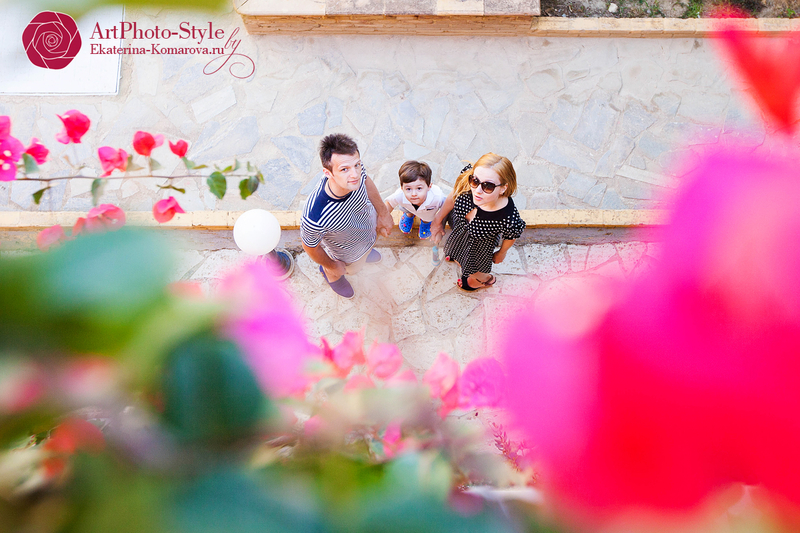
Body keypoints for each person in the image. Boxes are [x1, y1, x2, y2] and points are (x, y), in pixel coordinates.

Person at [301, 134, 393, 299]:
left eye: (357, 165)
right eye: (344, 169)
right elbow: (310, 247)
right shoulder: (315, 215)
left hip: (367, 234)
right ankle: (332, 276)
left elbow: (366, 181)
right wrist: (332, 265)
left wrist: (383, 213)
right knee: (347, 269)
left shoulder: (355, 171)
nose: (355, 174)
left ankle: (364, 254)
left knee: (363, 255)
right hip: (345, 255)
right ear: (328, 173)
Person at [438, 153, 525, 291]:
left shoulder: (508, 217)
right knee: (457, 252)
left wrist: (501, 253)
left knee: (474, 269)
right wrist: (438, 220)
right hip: (460, 234)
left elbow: (511, 235)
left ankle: (482, 279)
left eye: (488, 186)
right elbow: (454, 194)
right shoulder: (469, 178)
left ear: (503, 188)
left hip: (478, 248)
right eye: (475, 181)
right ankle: (458, 256)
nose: (477, 191)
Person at [383, 160, 446, 239]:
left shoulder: (437, 197)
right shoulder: (399, 195)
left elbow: (446, 207)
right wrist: (384, 218)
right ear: (402, 188)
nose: (413, 194)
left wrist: (438, 222)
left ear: (429, 187)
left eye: (419, 188)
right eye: (408, 189)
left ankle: (426, 222)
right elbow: (389, 203)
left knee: (427, 217)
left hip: (428, 214)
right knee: (407, 210)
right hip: (408, 207)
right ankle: (409, 215)